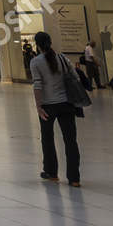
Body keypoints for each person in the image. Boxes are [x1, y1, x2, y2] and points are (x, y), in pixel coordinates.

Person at [30, 32, 82, 187]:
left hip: (48, 106)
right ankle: (74, 178)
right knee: (71, 140)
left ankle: (52, 173)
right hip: (66, 104)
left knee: (47, 139)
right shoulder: (62, 58)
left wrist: (38, 106)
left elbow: (37, 85)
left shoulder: (36, 62)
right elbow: (75, 77)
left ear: (37, 44)